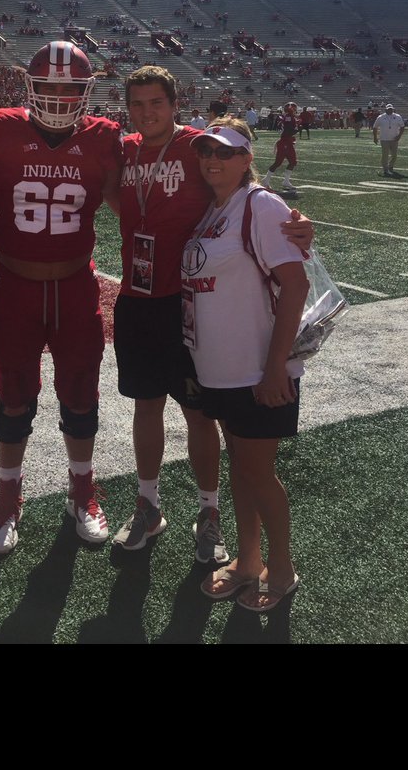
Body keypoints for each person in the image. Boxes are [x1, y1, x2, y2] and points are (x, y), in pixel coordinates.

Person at [112, 67, 313, 561]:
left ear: (175, 104)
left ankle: (209, 512)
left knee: (200, 413)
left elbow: (250, 193)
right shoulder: (119, 148)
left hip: (187, 306)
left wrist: (301, 226)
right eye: (137, 105)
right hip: (138, 300)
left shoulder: (197, 145)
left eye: (156, 102)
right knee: (146, 406)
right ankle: (148, 504)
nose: (146, 113)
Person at [0, 41, 123, 554]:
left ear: (86, 91)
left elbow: (136, 195)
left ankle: (82, 491)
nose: (58, 96)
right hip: (16, 284)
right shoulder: (1, 127)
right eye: (50, 86)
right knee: (14, 399)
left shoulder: (103, 137)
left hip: (76, 284)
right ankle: (8, 498)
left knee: (80, 395)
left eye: (70, 87)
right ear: (30, 87)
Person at [182, 119, 308, 612]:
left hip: (259, 369)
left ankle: (282, 568)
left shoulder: (260, 204)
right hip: (221, 369)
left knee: (258, 473)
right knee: (241, 469)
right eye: (206, 151)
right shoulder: (214, 210)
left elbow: (294, 285)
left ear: (245, 157)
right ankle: (248, 560)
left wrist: (276, 365)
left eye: (226, 152)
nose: (213, 160)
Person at [262, 102, 299, 195]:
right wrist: (297, 129)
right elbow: (287, 131)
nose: (295, 110)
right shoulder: (288, 116)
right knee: (278, 162)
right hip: (285, 142)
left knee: (293, 162)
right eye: (294, 108)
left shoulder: (288, 116)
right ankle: (266, 180)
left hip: (287, 142)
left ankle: (286, 181)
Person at [373, 103, 405, 176]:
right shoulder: (381, 117)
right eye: (389, 109)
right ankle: (385, 169)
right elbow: (375, 127)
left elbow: (402, 127)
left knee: (394, 155)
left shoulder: (397, 116)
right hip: (384, 139)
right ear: (385, 109)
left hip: (394, 139)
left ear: (393, 109)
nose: (390, 110)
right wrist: (375, 137)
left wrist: (399, 136)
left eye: (391, 109)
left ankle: (390, 166)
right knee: (385, 154)